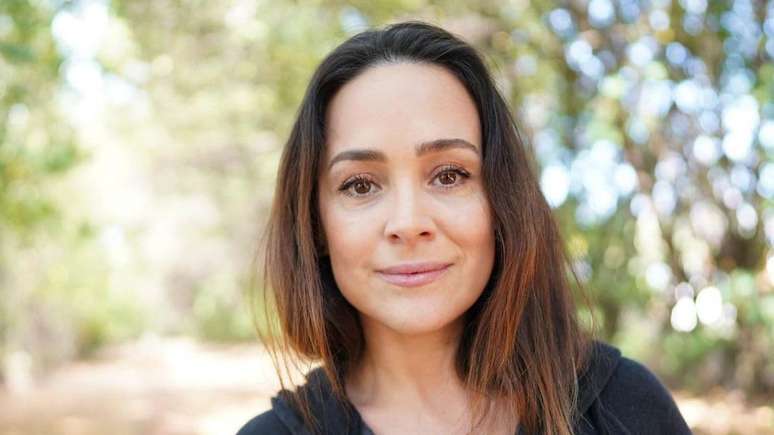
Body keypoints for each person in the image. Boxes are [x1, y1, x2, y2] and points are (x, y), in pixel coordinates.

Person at [236, 20, 692, 435]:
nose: (408, 223)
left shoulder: (626, 407)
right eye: (360, 185)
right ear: (315, 224)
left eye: (450, 175)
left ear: (502, 201)